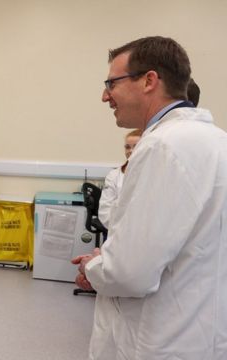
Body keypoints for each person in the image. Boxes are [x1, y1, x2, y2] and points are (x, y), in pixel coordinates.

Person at [72, 36, 227, 359]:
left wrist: (95, 266)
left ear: (149, 81)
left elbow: (130, 273)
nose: (105, 96)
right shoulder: (217, 141)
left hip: (159, 337)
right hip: (201, 332)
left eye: (111, 83)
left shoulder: (161, 146)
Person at [97, 129, 142, 228]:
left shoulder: (152, 173)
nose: (131, 151)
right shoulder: (114, 175)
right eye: (127, 147)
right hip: (117, 230)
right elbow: (105, 211)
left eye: (136, 146)